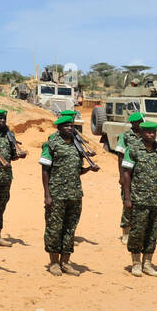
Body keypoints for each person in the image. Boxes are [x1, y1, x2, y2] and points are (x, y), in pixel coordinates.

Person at [119, 121, 157, 276]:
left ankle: (147, 263)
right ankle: (135, 263)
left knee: (152, 232)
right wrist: (127, 198)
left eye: (153, 133)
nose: (152, 135)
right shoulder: (133, 149)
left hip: (156, 199)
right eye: (148, 132)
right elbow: (126, 173)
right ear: (141, 133)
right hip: (139, 198)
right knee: (137, 232)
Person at [39, 115, 96, 276]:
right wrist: (47, 194)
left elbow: (78, 171)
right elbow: (45, 170)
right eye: (67, 126)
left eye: (72, 126)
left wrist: (89, 169)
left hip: (75, 194)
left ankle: (65, 262)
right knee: (54, 228)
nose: (70, 128)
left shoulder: (77, 146)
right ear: (59, 128)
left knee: (70, 229)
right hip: (57, 193)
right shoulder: (51, 144)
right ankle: (54, 262)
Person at [0, 109, 25, 246]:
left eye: (3, 118)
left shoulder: (9, 134)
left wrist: (19, 155)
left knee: (0, 206)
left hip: (5, 177)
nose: (2, 121)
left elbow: (12, 155)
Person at [112, 112, 144, 244]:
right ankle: (125, 232)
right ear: (133, 124)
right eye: (139, 122)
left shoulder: (146, 135)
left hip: (142, 176)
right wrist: (121, 175)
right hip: (128, 174)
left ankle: (137, 232)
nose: (141, 124)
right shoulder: (125, 136)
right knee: (127, 203)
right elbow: (120, 156)